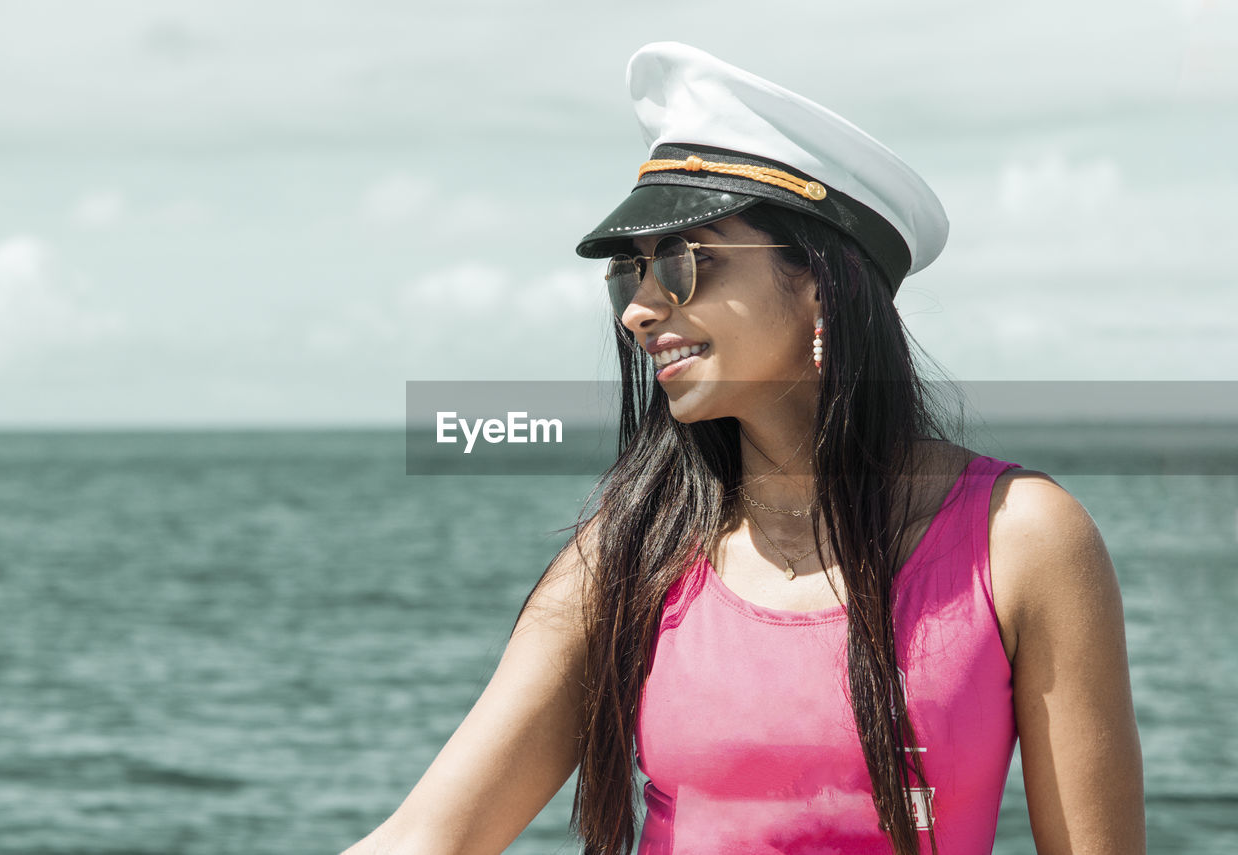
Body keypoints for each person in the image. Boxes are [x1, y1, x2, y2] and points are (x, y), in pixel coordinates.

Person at [342, 42, 1145, 855]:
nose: (639, 310)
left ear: (817, 285)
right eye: (633, 274)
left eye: (685, 262)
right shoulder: (629, 553)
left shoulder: (1025, 541)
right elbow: (425, 837)